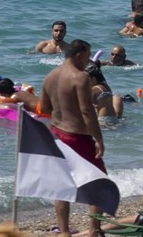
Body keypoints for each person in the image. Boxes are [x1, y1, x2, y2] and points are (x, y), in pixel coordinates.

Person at [39, 39, 106, 237]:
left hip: (56, 135)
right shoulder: (81, 77)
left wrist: (62, 110)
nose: (88, 61)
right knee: (99, 183)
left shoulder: (50, 77)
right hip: (78, 138)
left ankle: (64, 232)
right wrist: (99, 139)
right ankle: (94, 231)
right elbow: (87, 111)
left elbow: (43, 108)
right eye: (87, 56)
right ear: (79, 55)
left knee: (62, 185)